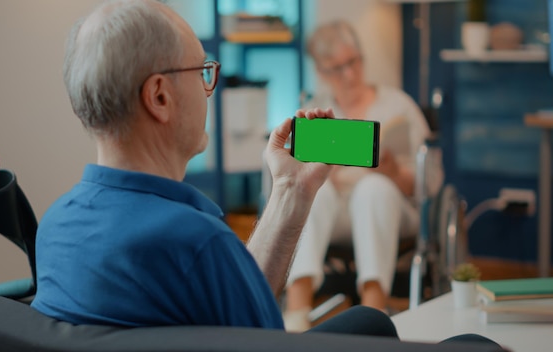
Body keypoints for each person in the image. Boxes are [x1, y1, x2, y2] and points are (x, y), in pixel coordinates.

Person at [30, 1, 501, 349]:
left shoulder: (55, 226)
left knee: (368, 324)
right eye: (203, 72)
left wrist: (291, 191)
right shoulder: (193, 241)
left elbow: (235, 303)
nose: (208, 89)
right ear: (159, 97)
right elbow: (262, 341)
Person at [282, 19, 434, 331]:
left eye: (352, 62)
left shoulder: (398, 105)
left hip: (393, 206)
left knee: (372, 187)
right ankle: (296, 313)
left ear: (361, 58)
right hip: (334, 212)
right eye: (336, 68)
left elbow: (429, 186)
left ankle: (372, 311)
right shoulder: (315, 111)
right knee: (315, 190)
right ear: (321, 72)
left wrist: (392, 171)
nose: (348, 74)